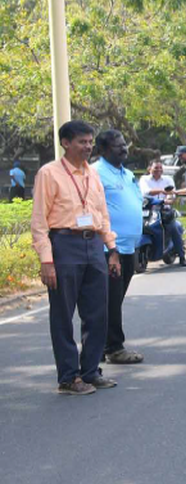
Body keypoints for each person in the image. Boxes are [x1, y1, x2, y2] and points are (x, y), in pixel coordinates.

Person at [31, 120, 121, 395]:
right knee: (63, 315)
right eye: (82, 142)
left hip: (93, 245)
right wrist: (47, 260)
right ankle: (68, 378)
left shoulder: (92, 174)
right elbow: (39, 221)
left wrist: (112, 249)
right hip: (64, 245)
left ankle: (90, 371)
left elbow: (102, 213)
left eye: (90, 141)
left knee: (97, 314)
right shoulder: (49, 173)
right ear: (66, 143)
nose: (88, 146)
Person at [93, 130, 147, 366]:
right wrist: (110, 245)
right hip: (108, 248)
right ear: (103, 150)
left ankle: (105, 344)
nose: (124, 149)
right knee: (110, 300)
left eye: (124, 145)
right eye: (117, 146)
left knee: (115, 299)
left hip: (128, 247)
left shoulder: (127, 174)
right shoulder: (95, 173)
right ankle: (113, 348)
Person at [138, 161, 186, 265]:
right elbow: (145, 192)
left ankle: (182, 256)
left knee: (173, 228)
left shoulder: (168, 179)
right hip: (147, 209)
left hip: (164, 210)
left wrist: (169, 199)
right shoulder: (144, 179)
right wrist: (162, 191)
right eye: (156, 168)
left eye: (160, 168)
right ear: (149, 169)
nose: (158, 170)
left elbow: (172, 194)